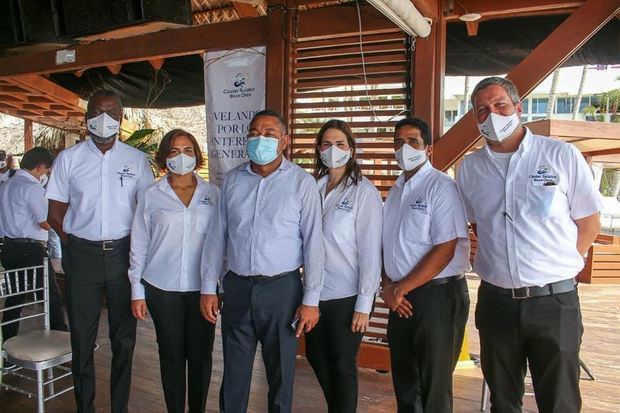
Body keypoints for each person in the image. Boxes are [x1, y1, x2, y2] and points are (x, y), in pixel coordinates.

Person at [456, 76, 602, 413]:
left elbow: (589, 223)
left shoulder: (560, 155)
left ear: (518, 108)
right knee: (503, 401)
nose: (491, 115)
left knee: (559, 401)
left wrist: (559, 263)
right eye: (481, 110)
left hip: (554, 302)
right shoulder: (471, 169)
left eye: (499, 105)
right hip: (496, 303)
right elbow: (479, 225)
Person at [200, 109, 324, 413]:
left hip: (282, 290)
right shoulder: (233, 180)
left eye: (269, 134)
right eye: (254, 133)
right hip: (238, 288)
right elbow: (217, 236)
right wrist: (207, 287)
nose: (260, 139)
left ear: (285, 141)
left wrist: (311, 299)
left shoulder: (301, 183)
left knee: (281, 374)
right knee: (234, 374)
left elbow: (314, 244)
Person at [46, 90, 154, 413]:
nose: (103, 118)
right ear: (87, 117)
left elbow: (147, 212)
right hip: (82, 256)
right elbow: (55, 212)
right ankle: (86, 408)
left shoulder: (136, 160)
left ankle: (118, 407)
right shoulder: (69, 159)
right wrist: (77, 243)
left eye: (111, 112)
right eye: (97, 111)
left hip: (123, 256)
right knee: (81, 339)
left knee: (124, 340)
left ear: (120, 118)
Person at [382, 117, 470, 412]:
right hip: (400, 298)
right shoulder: (395, 191)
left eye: (413, 142)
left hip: (436, 297)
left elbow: (446, 248)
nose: (404, 148)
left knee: (433, 387)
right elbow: (388, 246)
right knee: (405, 384)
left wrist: (400, 289)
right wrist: (387, 286)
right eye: (398, 142)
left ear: (428, 149)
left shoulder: (441, 187)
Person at [129, 129, 219, 413]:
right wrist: (136, 291)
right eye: (174, 151)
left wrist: (218, 287)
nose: (182, 157)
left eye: (188, 150)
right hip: (161, 288)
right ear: (164, 157)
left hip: (202, 291)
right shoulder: (151, 195)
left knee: (202, 357)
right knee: (170, 355)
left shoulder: (213, 194)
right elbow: (139, 243)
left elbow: (221, 244)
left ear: (197, 155)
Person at [303, 119, 382, 413]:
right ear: (318, 149)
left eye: (339, 143)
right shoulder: (312, 186)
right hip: (314, 292)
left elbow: (371, 251)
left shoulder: (364, 192)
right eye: (326, 143)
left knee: (342, 365)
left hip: (348, 295)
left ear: (351, 149)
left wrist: (364, 303)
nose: (332, 149)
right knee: (316, 356)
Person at [0, 147, 68, 340]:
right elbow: (45, 223)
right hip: (30, 249)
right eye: (47, 171)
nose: (46, 175)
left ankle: (7, 341)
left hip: (9, 248)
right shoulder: (32, 188)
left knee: (15, 297)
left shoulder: (5, 185)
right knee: (51, 296)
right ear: (41, 167)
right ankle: (62, 339)